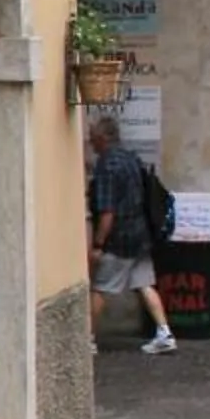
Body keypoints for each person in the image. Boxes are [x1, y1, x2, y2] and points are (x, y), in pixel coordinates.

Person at [88, 113, 175, 356]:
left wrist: (98, 244)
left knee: (100, 288)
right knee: (145, 284)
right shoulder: (131, 159)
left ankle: (87, 339)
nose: (90, 144)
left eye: (93, 139)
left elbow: (107, 212)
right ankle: (164, 332)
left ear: (103, 138)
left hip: (120, 240)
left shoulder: (107, 166)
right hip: (141, 234)